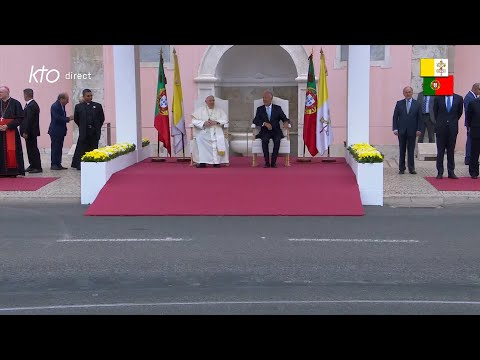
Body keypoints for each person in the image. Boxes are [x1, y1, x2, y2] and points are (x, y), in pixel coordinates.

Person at [252, 90, 290, 168]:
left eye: (266, 98)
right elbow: (255, 120)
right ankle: (266, 162)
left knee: (277, 141)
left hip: (276, 131)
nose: (264, 99)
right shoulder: (260, 109)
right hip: (265, 131)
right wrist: (264, 123)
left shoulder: (277, 108)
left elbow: (285, 118)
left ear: (271, 99)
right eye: (263, 98)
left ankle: (273, 162)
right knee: (264, 140)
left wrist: (286, 122)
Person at [71, 89, 105, 170]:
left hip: (94, 131)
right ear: (84, 96)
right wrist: (82, 126)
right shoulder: (79, 107)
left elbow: (101, 118)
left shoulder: (97, 106)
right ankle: (80, 164)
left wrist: (96, 127)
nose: (90, 97)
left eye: (91, 96)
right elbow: (76, 119)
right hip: (84, 132)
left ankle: (93, 163)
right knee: (82, 148)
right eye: (88, 96)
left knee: (93, 147)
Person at [191, 95, 229, 168]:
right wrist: (204, 123)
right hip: (204, 130)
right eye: (210, 101)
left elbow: (225, 120)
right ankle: (202, 162)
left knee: (219, 140)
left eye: (213, 100)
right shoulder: (200, 110)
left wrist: (216, 122)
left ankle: (216, 162)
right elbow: (194, 121)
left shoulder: (219, 110)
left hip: (216, 130)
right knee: (200, 139)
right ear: (206, 102)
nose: (212, 102)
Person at [392, 86, 423, 174]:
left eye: (409, 92)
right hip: (401, 131)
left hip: (413, 131)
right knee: (402, 150)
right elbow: (395, 117)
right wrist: (395, 128)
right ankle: (401, 168)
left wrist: (419, 129)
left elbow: (420, 118)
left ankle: (411, 168)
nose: (408, 94)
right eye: (406, 92)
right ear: (403, 93)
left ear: (412, 93)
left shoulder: (417, 104)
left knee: (411, 150)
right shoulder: (399, 103)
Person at [433, 92, 464, 179]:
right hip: (441, 128)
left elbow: (459, 112)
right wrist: (441, 122)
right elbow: (435, 112)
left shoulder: (459, 98)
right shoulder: (438, 98)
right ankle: (440, 172)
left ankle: (451, 172)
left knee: (451, 151)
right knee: (440, 151)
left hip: (452, 128)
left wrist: (451, 121)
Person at [0, 86, 25, 177]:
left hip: (11, 132)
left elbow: (20, 118)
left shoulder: (15, 103)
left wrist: (8, 126)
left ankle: (12, 172)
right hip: (0, 132)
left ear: (7, 93)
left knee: (12, 151)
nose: (0, 94)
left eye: (1, 92)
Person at [48, 92, 73, 170]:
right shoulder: (55, 106)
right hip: (55, 131)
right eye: (67, 99)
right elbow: (57, 118)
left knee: (59, 147)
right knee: (55, 147)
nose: (68, 101)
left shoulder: (62, 106)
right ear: (61, 99)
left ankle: (58, 163)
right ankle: (54, 164)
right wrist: (68, 118)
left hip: (60, 131)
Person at [20, 88, 42, 173]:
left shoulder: (32, 105)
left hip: (30, 132)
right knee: (29, 149)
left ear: (26, 95)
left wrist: (25, 131)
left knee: (33, 149)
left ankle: (37, 167)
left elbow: (29, 120)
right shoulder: (29, 105)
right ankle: (32, 165)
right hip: (30, 132)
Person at [463, 83, 480, 165]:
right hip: (471, 124)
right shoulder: (469, 97)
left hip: (473, 124)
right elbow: (468, 112)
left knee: (472, 140)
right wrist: (468, 124)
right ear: (476, 89)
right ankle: (468, 158)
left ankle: (470, 158)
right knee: (470, 140)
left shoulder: (472, 96)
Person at [466, 96, 480, 179]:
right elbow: (469, 118)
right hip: (476, 131)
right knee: (474, 153)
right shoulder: (473, 103)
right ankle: (474, 172)